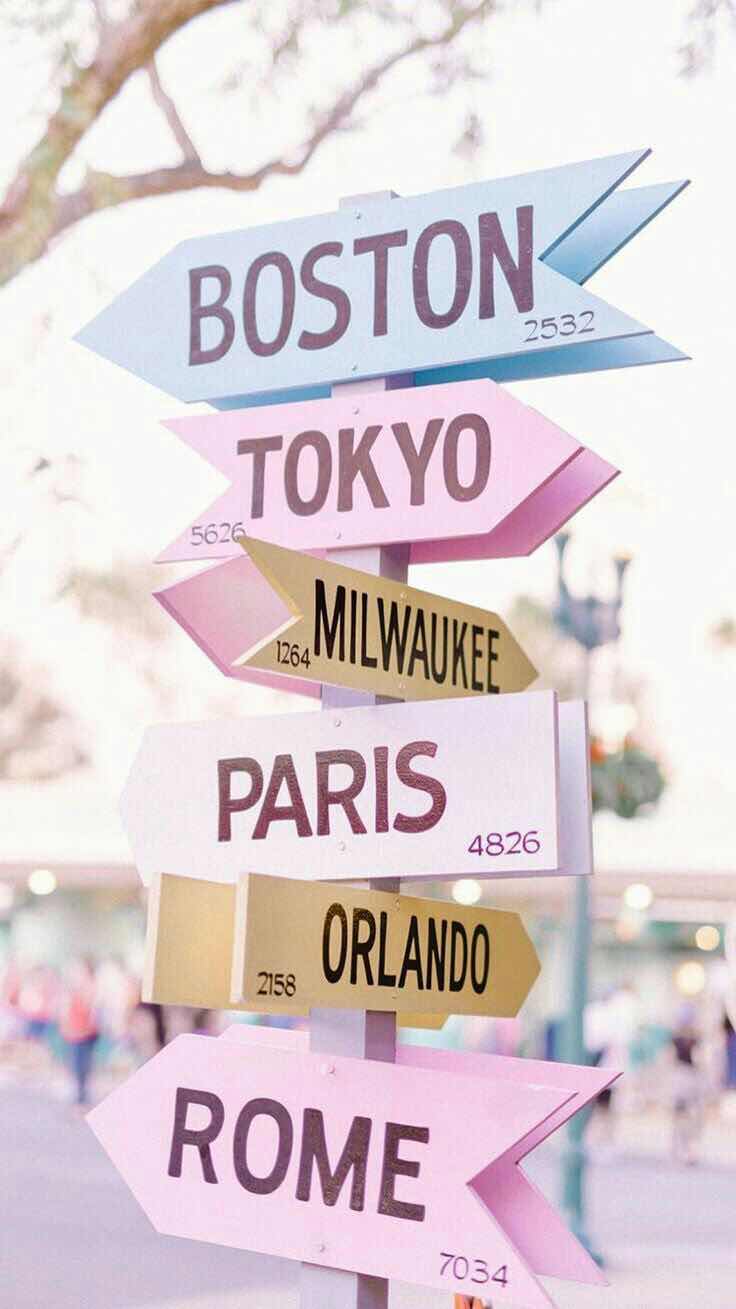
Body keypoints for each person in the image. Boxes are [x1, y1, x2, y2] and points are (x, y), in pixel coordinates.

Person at [59, 957, 99, 1106]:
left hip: (86, 1032)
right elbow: (65, 1009)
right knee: (77, 1064)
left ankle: (82, 1094)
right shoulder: (73, 987)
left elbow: (92, 1008)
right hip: (74, 1031)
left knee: (82, 1064)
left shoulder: (89, 987)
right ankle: (80, 1093)